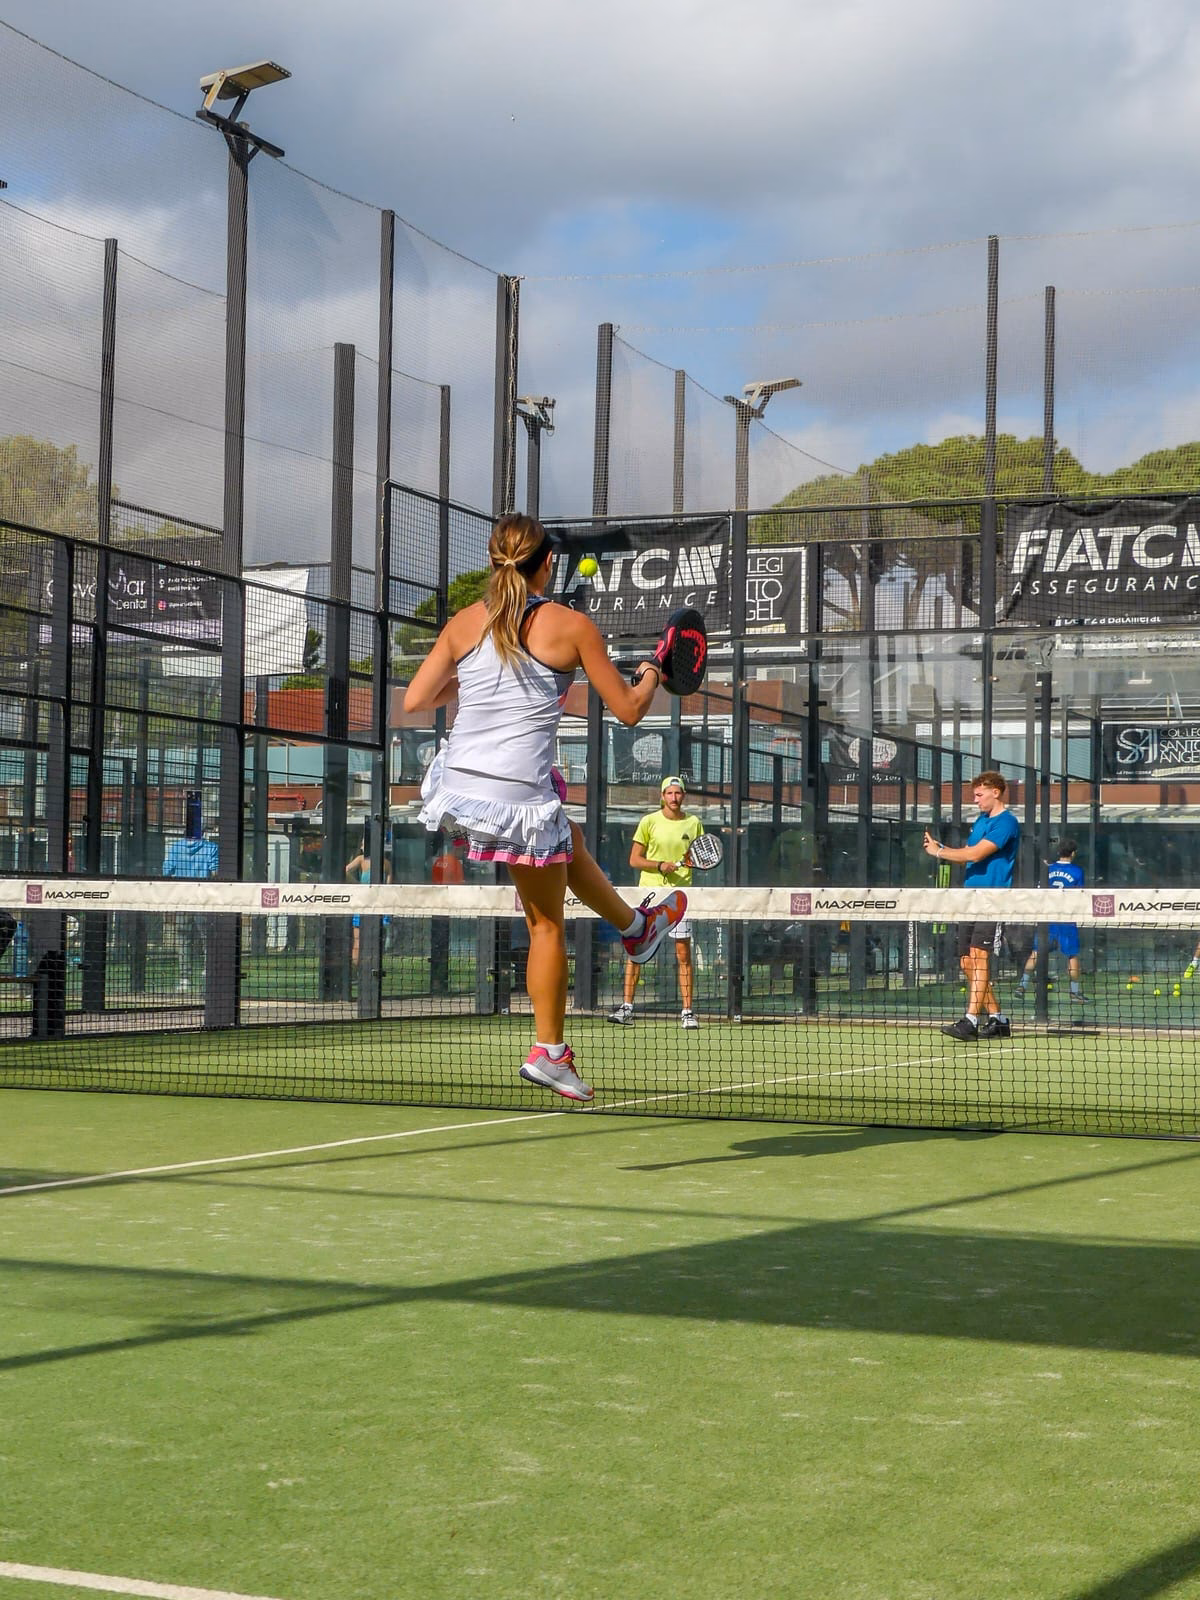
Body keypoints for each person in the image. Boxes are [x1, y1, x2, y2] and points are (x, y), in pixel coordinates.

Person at [403, 512, 687, 1103]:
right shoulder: (574, 627)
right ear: (548, 564)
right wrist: (654, 669)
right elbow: (632, 711)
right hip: (513, 794)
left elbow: (415, 699)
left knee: (568, 836)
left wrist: (477, 677)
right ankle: (550, 1052)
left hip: (461, 784)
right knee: (545, 923)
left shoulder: (463, 624)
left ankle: (637, 929)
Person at [923, 770, 1020, 1041]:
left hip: (993, 898)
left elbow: (977, 853)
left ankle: (970, 1021)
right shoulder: (980, 821)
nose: (975, 800)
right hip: (970, 898)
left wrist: (940, 852)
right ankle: (999, 1019)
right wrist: (941, 847)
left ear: (996, 792)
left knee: (979, 957)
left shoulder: (1007, 823)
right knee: (967, 962)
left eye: (979, 795)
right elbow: (968, 854)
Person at [608, 776, 703, 1029]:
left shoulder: (694, 823)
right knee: (635, 952)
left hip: (680, 897)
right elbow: (635, 860)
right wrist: (660, 865)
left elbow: (697, 855)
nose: (674, 798)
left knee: (683, 953)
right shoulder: (648, 822)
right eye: (669, 793)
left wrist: (687, 862)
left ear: (683, 796)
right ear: (662, 796)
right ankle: (626, 1008)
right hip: (649, 895)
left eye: (678, 793)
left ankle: (687, 1012)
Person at [1016, 837, 1084, 1007]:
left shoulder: (1048, 870)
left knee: (1036, 952)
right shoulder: (1077, 872)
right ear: (1073, 853)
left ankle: (1022, 986)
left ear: (1059, 852)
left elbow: (1041, 891)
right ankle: (1075, 993)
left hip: (1047, 919)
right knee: (1072, 956)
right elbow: (1080, 894)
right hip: (1066, 920)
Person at [346, 835, 394, 964]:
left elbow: (345, 871)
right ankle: (365, 970)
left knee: (361, 941)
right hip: (373, 903)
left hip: (371, 904)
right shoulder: (381, 862)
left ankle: (364, 971)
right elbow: (388, 886)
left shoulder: (364, 859)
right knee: (369, 941)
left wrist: (357, 885)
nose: (361, 846)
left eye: (363, 844)